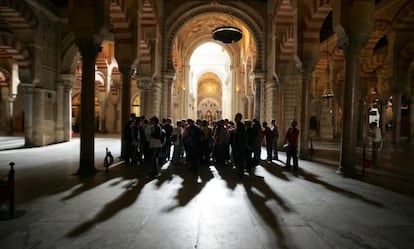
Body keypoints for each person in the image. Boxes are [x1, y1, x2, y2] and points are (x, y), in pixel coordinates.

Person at [233, 113, 248, 178]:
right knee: (239, 160)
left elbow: (242, 136)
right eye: (235, 117)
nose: (235, 118)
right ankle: (239, 173)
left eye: (236, 117)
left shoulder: (241, 126)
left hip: (239, 146)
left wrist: (241, 145)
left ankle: (241, 174)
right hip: (237, 146)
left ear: (239, 118)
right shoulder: (238, 125)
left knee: (240, 160)